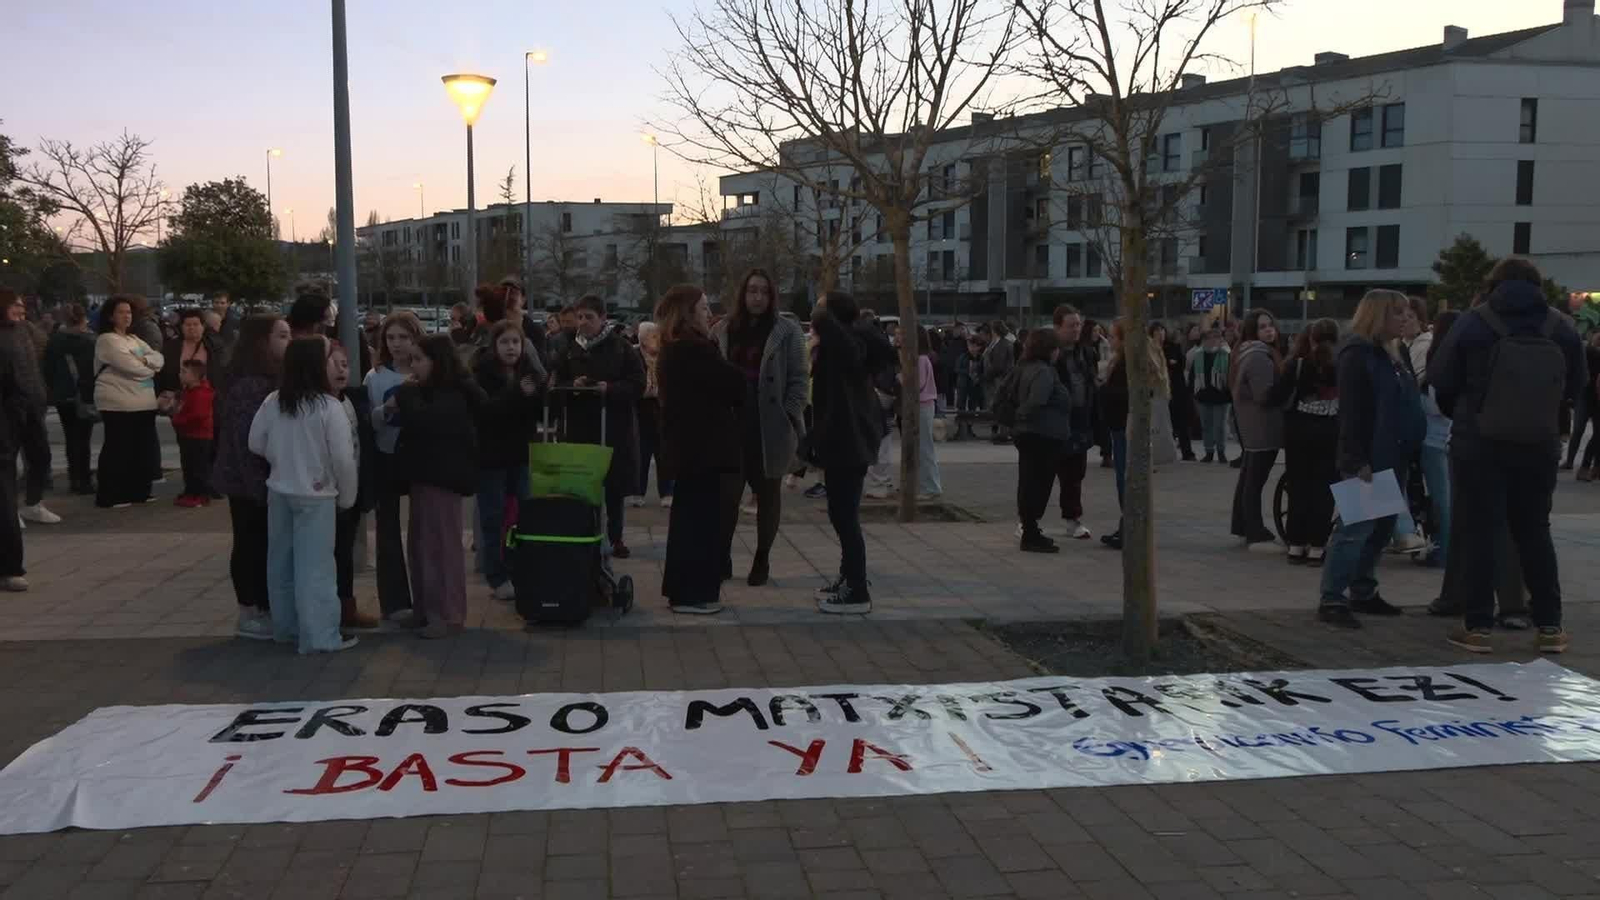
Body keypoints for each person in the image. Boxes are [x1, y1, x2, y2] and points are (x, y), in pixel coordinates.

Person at [1430, 258, 1586, 653]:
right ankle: (1550, 626)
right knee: (1534, 530)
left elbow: (1442, 379)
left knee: (1482, 529)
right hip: (1539, 444)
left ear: (1494, 284)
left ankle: (1478, 627)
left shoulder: (1474, 321)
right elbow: (1578, 384)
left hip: (1479, 443)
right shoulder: (1560, 326)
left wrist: (1468, 414)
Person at [1316, 290, 1425, 628]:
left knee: (1381, 529)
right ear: (1379, 316)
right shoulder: (1358, 354)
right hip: (1369, 455)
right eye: (1398, 313)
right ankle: (1333, 597)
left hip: (1395, 453)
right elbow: (1353, 412)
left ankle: (1363, 590)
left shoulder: (1394, 352)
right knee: (1355, 529)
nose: (1405, 318)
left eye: (1407, 313)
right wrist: (1355, 458)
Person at [249, 337, 360, 654]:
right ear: (316, 364)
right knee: (317, 570)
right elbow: (343, 460)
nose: (335, 363)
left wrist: (281, 458)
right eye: (329, 357)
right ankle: (321, 637)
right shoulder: (329, 407)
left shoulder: (274, 401)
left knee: (280, 564)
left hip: (279, 491)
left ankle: (287, 630)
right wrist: (347, 498)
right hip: (318, 496)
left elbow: (255, 442)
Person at [713, 268, 808, 585]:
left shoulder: (787, 330)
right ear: (743, 293)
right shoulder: (725, 328)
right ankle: (722, 555)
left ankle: (762, 558)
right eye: (752, 290)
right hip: (731, 425)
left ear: (771, 296)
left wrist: (787, 413)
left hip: (769, 427)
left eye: (763, 291)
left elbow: (798, 379)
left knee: (768, 497)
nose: (757, 297)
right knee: (727, 498)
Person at [657, 284, 746, 614]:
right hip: (700, 449)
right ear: (688, 313)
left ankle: (687, 589)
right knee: (699, 522)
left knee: (692, 519)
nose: (709, 314)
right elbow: (735, 385)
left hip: (691, 448)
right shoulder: (691, 350)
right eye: (704, 308)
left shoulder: (677, 348)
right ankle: (692, 592)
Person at [810, 291, 896, 614]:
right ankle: (849, 577)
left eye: (820, 308)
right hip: (842, 440)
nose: (815, 314)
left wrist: (821, 316)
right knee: (839, 512)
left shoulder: (850, 344)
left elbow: (848, 356)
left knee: (845, 516)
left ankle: (857, 589)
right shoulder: (845, 343)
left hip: (850, 441)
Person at [392, 335, 482, 639]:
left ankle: (448, 613)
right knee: (420, 545)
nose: (413, 365)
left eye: (419, 359)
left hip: (443, 478)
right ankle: (425, 609)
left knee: (441, 548)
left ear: (437, 362)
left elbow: (424, 421)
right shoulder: (430, 390)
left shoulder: (452, 393)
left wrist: (404, 396)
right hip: (425, 475)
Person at [213, 314, 291, 639]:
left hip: (259, 481)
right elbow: (247, 445)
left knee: (260, 544)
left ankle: (263, 606)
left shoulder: (268, 379)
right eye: (282, 336)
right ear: (262, 341)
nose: (289, 342)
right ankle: (250, 611)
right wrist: (260, 489)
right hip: (248, 483)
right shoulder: (249, 385)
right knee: (250, 543)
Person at [553, 295, 645, 559]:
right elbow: (557, 380)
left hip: (613, 426)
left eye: (589, 317)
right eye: (580, 317)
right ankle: (585, 532)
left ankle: (616, 537)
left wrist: (610, 388)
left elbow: (637, 383)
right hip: (579, 427)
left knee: (614, 487)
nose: (583, 323)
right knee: (583, 485)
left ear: (603, 318)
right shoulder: (570, 348)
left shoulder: (621, 347)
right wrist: (574, 385)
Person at [473, 320, 542, 602]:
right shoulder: (482, 373)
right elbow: (486, 411)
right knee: (494, 517)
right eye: (505, 342)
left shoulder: (530, 371)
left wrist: (539, 391)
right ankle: (496, 574)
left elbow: (538, 408)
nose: (511, 347)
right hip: (491, 458)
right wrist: (517, 392)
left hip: (521, 454)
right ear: (494, 345)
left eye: (516, 342)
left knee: (523, 514)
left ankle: (519, 568)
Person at [367, 311, 423, 622]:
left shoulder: (425, 373)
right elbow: (369, 421)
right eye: (391, 338)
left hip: (419, 458)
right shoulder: (376, 377)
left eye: (404, 337)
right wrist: (384, 411)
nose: (397, 344)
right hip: (386, 456)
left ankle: (426, 596)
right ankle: (395, 601)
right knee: (387, 529)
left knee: (422, 528)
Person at [1275, 318, 1341, 565]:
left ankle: (1295, 545)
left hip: (1298, 434)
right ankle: (1317, 546)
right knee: (1324, 491)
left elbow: (1278, 395)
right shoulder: (1342, 365)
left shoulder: (1297, 364)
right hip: (1331, 433)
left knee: (1298, 488)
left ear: (1310, 338)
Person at [325, 341, 382, 632]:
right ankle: (327, 613)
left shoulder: (352, 400)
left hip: (352, 493)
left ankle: (347, 608)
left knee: (344, 554)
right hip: (324, 496)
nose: (341, 371)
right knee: (328, 556)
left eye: (345, 365)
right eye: (332, 364)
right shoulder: (316, 405)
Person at [94, 295, 164, 508]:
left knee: (140, 449)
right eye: (121, 312)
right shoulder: (107, 340)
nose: (126, 316)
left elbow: (158, 358)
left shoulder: (135, 340)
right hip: (118, 403)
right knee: (118, 449)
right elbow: (131, 368)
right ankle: (111, 494)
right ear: (110, 316)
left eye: (129, 312)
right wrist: (147, 367)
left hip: (143, 403)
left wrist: (145, 361)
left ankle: (138, 491)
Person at [1013, 329, 1072, 553]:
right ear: (1049, 350)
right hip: (1042, 435)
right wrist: (1022, 415)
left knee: (1029, 481)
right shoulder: (1044, 372)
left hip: (1030, 434)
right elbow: (1036, 400)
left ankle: (1030, 528)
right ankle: (1030, 531)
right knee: (1038, 483)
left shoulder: (1024, 367)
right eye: (1056, 348)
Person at [0, 292, 56, 525]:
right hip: (8, 407)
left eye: (22, 306)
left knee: (41, 456)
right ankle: (9, 511)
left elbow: (42, 351)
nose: (20, 310)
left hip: (33, 403)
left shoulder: (25, 330)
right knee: (8, 462)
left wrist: (41, 392)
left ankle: (32, 503)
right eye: (15, 305)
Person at [1229, 308, 1283, 548]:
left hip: (1252, 425)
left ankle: (1242, 524)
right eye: (1262, 326)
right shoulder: (1260, 356)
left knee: (1248, 477)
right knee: (1255, 480)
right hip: (1263, 425)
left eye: (1270, 324)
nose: (1269, 330)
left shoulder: (1245, 352)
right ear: (1252, 331)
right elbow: (1264, 394)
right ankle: (1254, 529)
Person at [1050, 305, 1099, 540]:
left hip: (1080, 420)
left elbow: (1090, 382)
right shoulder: (1049, 353)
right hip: (1055, 422)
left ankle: (1072, 517)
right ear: (1058, 327)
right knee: (1044, 473)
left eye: (1078, 324)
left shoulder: (1086, 352)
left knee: (1075, 474)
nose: (1076, 329)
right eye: (1071, 325)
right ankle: (1028, 518)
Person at [43, 303, 98, 495]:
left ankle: (74, 477)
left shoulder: (55, 340)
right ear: (84, 318)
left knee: (70, 438)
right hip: (84, 395)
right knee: (83, 439)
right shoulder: (90, 340)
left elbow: (47, 368)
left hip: (63, 395)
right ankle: (83, 479)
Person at [1097, 321, 1132, 549]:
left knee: (1125, 478)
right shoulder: (1120, 360)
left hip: (1124, 425)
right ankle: (1126, 525)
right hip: (1118, 425)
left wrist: (1102, 389)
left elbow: (1126, 393)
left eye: (1113, 337)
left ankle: (1128, 528)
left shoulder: (1126, 362)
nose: (1109, 341)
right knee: (1123, 478)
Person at [633, 322, 674, 509]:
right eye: (653, 336)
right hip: (640, 410)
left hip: (662, 410)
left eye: (658, 336)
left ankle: (666, 492)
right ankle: (638, 492)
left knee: (664, 454)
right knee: (641, 453)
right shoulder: (634, 355)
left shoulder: (665, 356)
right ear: (642, 339)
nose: (657, 340)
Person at [169, 360, 216, 507]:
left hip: (199, 436)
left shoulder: (201, 393)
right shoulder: (187, 392)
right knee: (188, 465)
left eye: (184, 372)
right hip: (187, 435)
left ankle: (201, 494)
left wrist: (178, 419)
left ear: (195, 376)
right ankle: (190, 491)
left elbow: (198, 415)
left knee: (199, 467)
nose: (180, 375)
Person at [157, 308, 224, 400]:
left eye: (196, 324)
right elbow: (161, 373)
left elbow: (220, 373)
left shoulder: (214, 347)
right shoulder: (170, 347)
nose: (191, 328)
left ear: (203, 326)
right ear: (182, 327)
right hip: (177, 398)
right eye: (188, 325)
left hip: (205, 398)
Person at [1188, 326, 1231, 463]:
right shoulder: (1199, 355)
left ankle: (1221, 451)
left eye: (1216, 338)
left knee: (1220, 426)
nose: (1212, 341)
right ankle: (1209, 452)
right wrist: (1193, 394)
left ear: (1220, 340)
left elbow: (1231, 376)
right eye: (1209, 338)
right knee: (1206, 425)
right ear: (1204, 341)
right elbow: (1193, 376)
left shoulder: (1226, 355)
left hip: (1222, 397)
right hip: (1203, 396)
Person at [910, 326, 943, 499]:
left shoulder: (921, 359)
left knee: (924, 447)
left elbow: (918, 383)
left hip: (923, 404)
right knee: (923, 447)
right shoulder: (924, 358)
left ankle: (930, 487)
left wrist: (902, 378)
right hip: (924, 404)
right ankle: (926, 485)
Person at [1158, 322, 1196, 461]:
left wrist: (1173, 363)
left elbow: (1180, 363)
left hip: (1177, 389)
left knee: (1182, 422)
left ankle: (1187, 452)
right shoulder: (1150, 349)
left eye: (1162, 330)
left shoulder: (1174, 347)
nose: (1160, 333)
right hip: (1160, 390)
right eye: (1157, 331)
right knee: (1162, 422)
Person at [981, 320, 1015, 444]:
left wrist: (987, 375)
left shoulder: (1002, 344)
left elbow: (999, 365)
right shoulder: (999, 343)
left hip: (999, 380)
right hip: (998, 379)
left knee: (1000, 405)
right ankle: (1001, 432)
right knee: (998, 406)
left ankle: (1003, 433)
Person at [1572, 330, 1600, 480]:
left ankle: (1594, 468)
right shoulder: (1591, 352)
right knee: (1597, 434)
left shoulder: (1590, 351)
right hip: (1593, 396)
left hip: (1592, 395)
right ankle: (1586, 467)